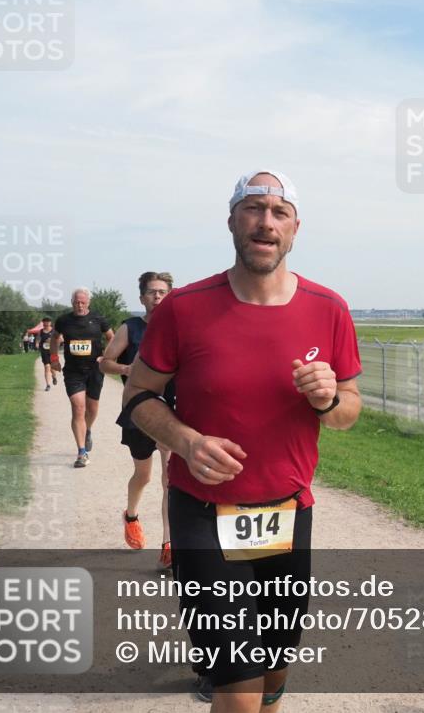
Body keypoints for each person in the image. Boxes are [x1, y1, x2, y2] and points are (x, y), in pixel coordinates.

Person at [120, 169, 362, 712]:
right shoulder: (184, 307)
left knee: (273, 673)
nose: (266, 222)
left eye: (279, 213)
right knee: (236, 681)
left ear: (296, 228)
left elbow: (347, 413)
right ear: (232, 221)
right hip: (202, 513)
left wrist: (327, 399)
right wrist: (184, 440)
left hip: (286, 513)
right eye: (254, 209)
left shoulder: (330, 308)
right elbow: (136, 395)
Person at [98, 272, 176, 570]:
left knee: (171, 480)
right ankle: (131, 515)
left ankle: (169, 546)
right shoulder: (130, 328)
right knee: (142, 476)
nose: (157, 297)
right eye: (152, 292)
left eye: (162, 292)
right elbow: (105, 363)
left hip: (171, 411)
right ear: (142, 297)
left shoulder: (180, 327)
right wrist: (128, 369)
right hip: (139, 412)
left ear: (171, 295)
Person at [50, 288, 114, 468]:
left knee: (92, 409)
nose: (79, 305)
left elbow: (112, 337)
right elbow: (55, 338)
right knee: (78, 407)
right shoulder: (64, 320)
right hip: (73, 371)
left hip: (95, 369)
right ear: (72, 302)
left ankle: (87, 430)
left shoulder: (99, 319)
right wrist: (54, 359)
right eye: (76, 302)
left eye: (83, 302)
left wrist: (107, 357)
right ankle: (81, 453)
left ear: (88, 303)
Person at [32, 317, 59, 391]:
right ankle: (48, 385)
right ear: (43, 323)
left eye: (47, 322)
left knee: (52, 368)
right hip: (44, 351)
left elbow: (60, 339)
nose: (46, 323)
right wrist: (37, 344)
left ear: (50, 323)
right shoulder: (41, 331)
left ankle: (54, 376)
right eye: (44, 322)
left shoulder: (54, 331)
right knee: (47, 367)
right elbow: (37, 339)